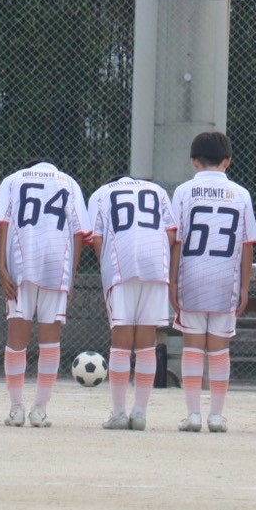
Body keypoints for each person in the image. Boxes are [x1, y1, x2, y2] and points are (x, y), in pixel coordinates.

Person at [169, 132, 256, 434]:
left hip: (192, 275)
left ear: (194, 161)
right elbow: (247, 244)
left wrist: (172, 282)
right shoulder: (241, 194)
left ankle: (193, 415)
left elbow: (176, 240)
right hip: (225, 277)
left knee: (193, 347)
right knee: (220, 349)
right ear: (228, 161)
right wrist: (244, 286)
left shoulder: (184, 191)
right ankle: (217, 416)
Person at [0, 158, 89, 427]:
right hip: (57, 264)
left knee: (17, 337)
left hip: (22, 263)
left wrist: (1, 266)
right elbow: (79, 232)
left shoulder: (14, 179)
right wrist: (72, 275)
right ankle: (40, 410)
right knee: (51, 339)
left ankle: (16, 408)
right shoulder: (68, 182)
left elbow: (3, 222)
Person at [87, 173, 176, 431]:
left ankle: (118, 413)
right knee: (147, 340)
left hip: (121, 264)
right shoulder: (157, 190)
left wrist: (107, 264)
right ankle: (140, 414)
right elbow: (171, 232)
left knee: (121, 338)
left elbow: (97, 238)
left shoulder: (102, 193)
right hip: (155, 264)